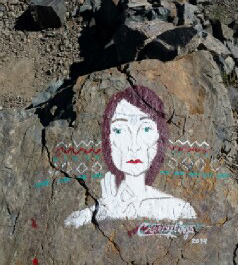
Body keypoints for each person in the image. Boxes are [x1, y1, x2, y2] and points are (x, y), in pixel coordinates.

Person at [65, 85, 196, 227]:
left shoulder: (179, 210)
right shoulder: (82, 217)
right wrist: (109, 212)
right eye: (120, 130)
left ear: (159, 139)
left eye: (146, 129)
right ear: (108, 140)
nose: (133, 145)